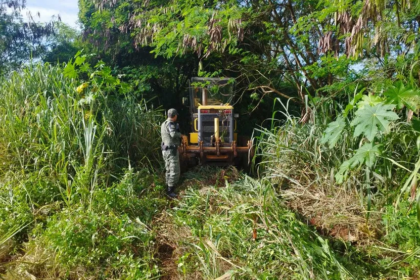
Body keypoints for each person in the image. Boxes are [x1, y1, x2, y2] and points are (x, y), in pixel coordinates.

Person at [161, 108, 181, 198]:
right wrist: (181, 135)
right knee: (174, 170)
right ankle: (170, 191)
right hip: (171, 150)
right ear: (175, 116)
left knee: (168, 168)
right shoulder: (171, 124)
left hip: (165, 149)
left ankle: (168, 186)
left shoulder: (163, 124)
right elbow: (173, 134)